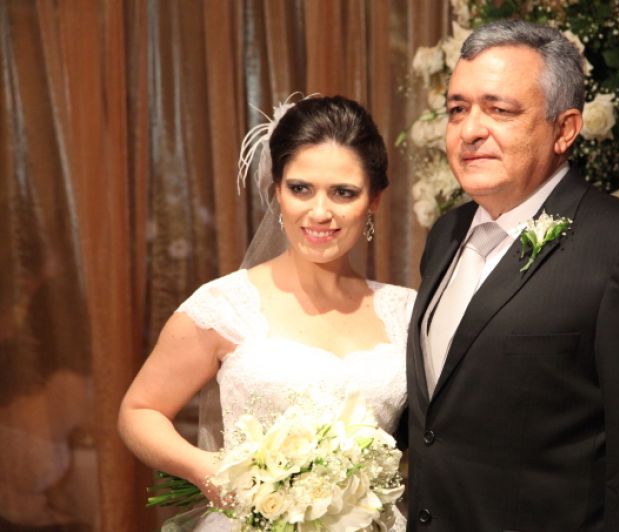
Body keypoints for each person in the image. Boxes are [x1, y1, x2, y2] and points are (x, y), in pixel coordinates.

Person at [405, 20, 619, 531]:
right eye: (458, 109)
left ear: (565, 129)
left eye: (499, 110)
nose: (469, 130)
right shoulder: (446, 234)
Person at [118, 95, 415, 531]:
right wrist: (206, 469)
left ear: (374, 200)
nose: (320, 212)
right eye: (300, 188)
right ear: (277, 190)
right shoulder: (225, 306)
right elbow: (139, 410)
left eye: (343, 192)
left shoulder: (406, 312)